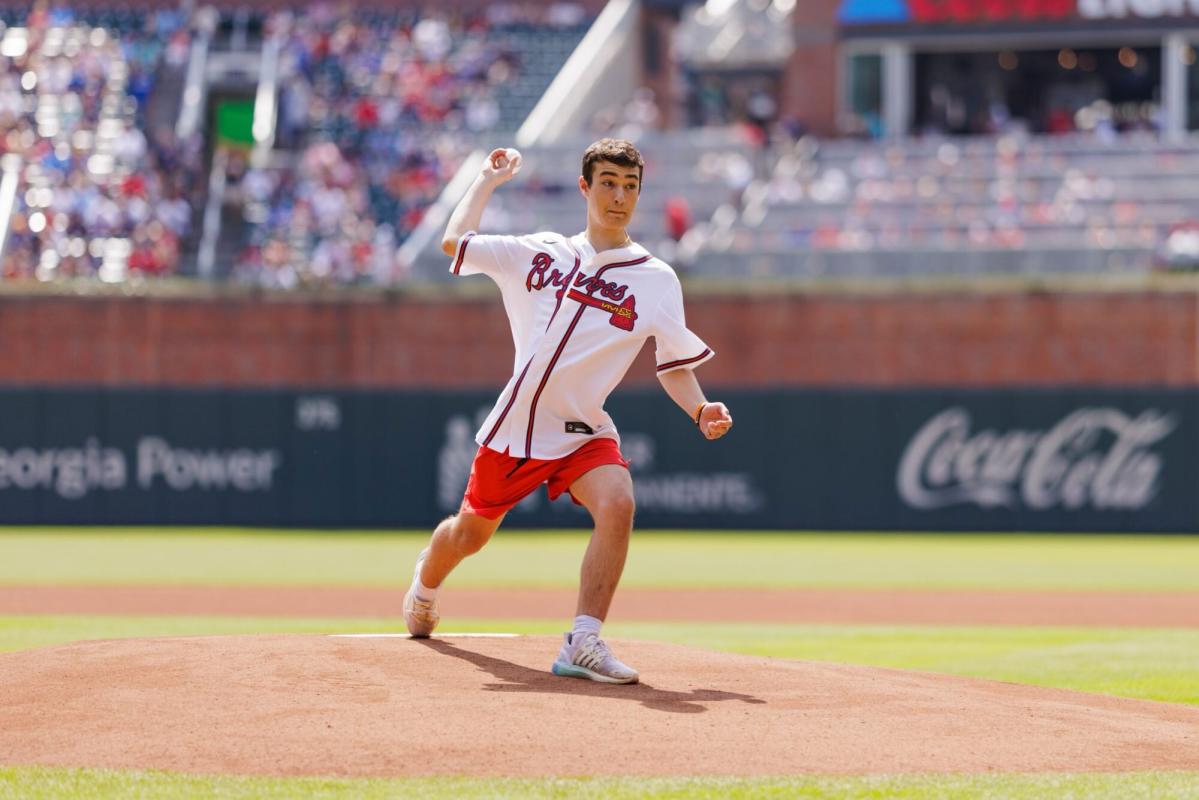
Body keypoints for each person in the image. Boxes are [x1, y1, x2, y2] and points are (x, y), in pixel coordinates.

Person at [403, 138, 733, 684]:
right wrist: (486, 180)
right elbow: (453, 242)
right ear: (585, 187)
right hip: (517, 428)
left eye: (630, 186)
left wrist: (700, 410)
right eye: (607, 182)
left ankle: (583, 640)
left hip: (583, 430)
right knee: (468, 536)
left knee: (619, 502)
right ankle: (424, 588)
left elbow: (673, 363)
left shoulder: (656, 279)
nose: (618, 196)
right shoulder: (541, 252)